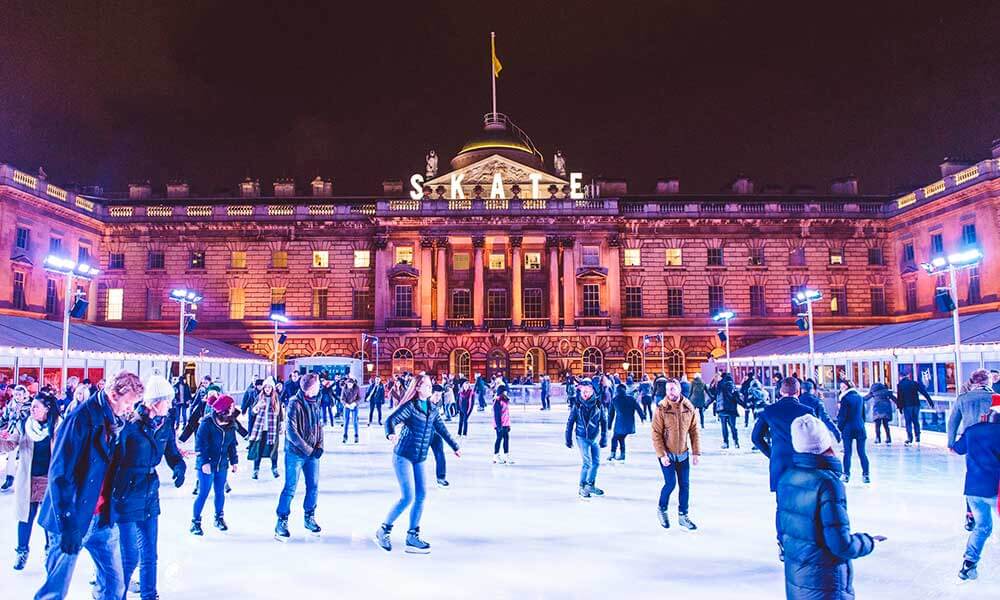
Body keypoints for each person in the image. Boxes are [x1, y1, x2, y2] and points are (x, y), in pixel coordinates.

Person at [35, 371, 143, 600]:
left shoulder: (116, 422)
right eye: (128, 403)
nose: (130, 408)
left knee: (115, 586)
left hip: (102, 519)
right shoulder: (80, 419)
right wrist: (67, 523)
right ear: (113, 395)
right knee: (55, 590)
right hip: (73, 519)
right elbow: (60, 474)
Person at [778, 414, 882, 599]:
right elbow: (840, 545)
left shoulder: (786, 478)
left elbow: (783, 534)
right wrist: (868, 541)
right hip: (826, 585)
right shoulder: (828, 484)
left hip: (797, 582)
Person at [113, 375, 186, 600]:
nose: (171, 405)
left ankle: (149, 594)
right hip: (127, 493)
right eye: (167, 400)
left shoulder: (165, 426)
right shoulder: (130, 427)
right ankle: (116, 594)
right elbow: (114, 460)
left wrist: (179, 466)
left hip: (149, 493)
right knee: (129, 556)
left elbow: (172, 452)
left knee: (149, 553)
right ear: (154, 402)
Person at [374, 374, 461, 553]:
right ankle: (383, 529)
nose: (431, 388)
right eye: (427, 385)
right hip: (403, 455)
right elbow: (390, 420)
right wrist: (390, 434)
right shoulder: (410, 407)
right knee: (408, 497)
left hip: (419, 457)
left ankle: (412, 535)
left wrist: (454, 446)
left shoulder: (432, 408)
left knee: (421, 495)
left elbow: (442, 429)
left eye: (431, 385)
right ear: (418, 388)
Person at [952, 399, 1000, 580]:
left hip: (973, 490)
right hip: (996, 489)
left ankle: (968, 565)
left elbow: (957, 449)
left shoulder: (973, 430)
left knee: (982, 527)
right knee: (983, 527)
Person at [273, 372, 324, 541]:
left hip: (312, 453)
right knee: (290, 487)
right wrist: (309, 450)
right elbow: (291, 432)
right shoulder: (295, 403)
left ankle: (309, 516)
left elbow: (319, 425)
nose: (319, 387)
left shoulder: (315, 401)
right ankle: (282, 520)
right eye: (317, 384)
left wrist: (320, 446)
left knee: (313, 486)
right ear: (310, 387)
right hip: (296, 454)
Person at [11, 392, 59, 570]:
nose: (32, 410)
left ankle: (50, 552)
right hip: (29, 479)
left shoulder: (57, 426)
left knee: (49, 519)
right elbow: (12, 442)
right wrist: (3, 441)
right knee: (25, 517)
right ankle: (21, 551)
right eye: (31, 407)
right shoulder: (25, 425)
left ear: (47, 409)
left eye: (36, 407)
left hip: (50, 480)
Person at [947, 369, 996, 532]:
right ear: (988, 381)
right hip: (994, 441)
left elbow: (953, 421)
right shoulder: (995, 398)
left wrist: (951, 443)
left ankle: (970, 515)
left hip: (970, 442)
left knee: (973, 476)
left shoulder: (963, 399)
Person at [651, 378, 700, 530]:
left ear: (679, 390)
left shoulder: (688, 407)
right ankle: (662, 508)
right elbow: (656, 433)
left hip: (683, 454)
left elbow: (694, 431)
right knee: (671, 483)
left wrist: (696, 452)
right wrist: (662, 454)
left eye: (672, 389)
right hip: (667, 454)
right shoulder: (661, 408)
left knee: (685, 485)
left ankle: (683, 516)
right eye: (667, 390)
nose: (669, 392)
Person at [190, 393, 239, 536]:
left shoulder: (230, 424)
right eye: (231, 407)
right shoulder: (207, 423)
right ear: (223, 410)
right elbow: (200, 444)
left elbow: (232, 445)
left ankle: (219, 518)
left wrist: (234, 461)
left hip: (222, 464)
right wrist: (204, 462)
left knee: (220, 492)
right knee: (203, 493)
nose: (233, 409)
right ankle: (195, 522)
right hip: (207, 464)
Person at [565, 381, 608, 499]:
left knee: (596, 462)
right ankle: (582, 487)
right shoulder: (577, 405)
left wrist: (604, 437)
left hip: (594, 437)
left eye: (586, 391)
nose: (584, 393)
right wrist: (568, 438)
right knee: (587, 462)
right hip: (581, 436)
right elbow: (570, 422)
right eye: (582, 391)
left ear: (592, 391)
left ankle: (590, 485)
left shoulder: (599, 404)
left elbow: (604, 421)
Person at [249, 377, 283, 479]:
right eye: (266, 387)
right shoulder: (259, 398)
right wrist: (257, 406)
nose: (267, 389)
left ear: (272, 388)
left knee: (273, 450)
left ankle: (274, 468)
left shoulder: (276, 399)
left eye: (269, 387)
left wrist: (281, 425)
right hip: (260, 429)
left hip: (273, 429)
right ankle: (256, 469)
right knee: (258, 449)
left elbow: (280, 414)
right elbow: (252, 412)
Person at [836, 381, 870, 484]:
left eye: (842, 387)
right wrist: (862, 424)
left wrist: (839, 428)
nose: (841, 389)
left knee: (847, 452)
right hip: (860, 427)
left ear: (847, 387)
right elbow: (863, 414)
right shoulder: (860, 397)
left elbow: (843, 416)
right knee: (862, 452)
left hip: (848, 428)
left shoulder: (845, 399)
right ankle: (866, 475)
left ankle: (846, 475)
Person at [896, 371, 934, 445]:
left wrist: (900, 407)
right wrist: (930, 401)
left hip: (907, 406)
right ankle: (917, 436)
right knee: (915, 420)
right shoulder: (914, 383)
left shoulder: (900, 385)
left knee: (908, 422)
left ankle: (910, 438)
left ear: (900, 377)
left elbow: (900, 397)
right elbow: (923, 392)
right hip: (916, 405)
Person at [609, 383, 644, 462]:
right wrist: (642, 417)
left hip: (619, 424)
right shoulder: (631, 399)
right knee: (621, 438)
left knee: (614, 438)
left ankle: (613, 454)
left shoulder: (615, 399)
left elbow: (611, 414)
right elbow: (638, 409)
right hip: (629, 424)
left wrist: (609, 425)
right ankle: (622, 455)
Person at [714, 372, 741, 449]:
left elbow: (715, 396)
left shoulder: (720, 385)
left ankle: (726, 442)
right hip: (732, 410)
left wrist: (706, 404)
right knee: (733, 427)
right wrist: (744, 405)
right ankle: (736, 442)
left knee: (724, 427)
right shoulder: (732, 386)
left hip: (722, 409)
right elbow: (736, 398)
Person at [492, 384, 512, 464]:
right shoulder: (497, 401)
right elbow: (497, 415)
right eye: (505, 391)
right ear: (502, 392)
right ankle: (496, 456)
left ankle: (506, 455)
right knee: (499, 438)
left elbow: (506, 413)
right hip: (500, 424)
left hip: (505, 423)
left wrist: (508, 424)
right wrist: (499, 426)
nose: (506, 392)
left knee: (506, 439)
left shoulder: (505, 400)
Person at [341, 377, 360, 443]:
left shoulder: (356, 388)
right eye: (348, 384)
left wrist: (354, 403)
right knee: (346, 421)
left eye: (351, 384)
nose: (350, 385)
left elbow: (359, 398)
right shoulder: (344, 388)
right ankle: (345, 436)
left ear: (353, 384)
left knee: (355, 421)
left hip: (354, 406)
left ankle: (356, 436)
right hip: (347, 406)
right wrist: (347, 405)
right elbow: (342, 399)